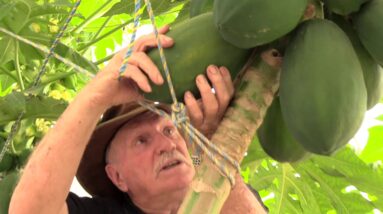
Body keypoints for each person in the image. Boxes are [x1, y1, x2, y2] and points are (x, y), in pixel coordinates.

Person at [9, 25, 267, 214]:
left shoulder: (228, 195)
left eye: (168, 131)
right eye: (142, 141)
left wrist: (209, 149)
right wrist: (96, 95)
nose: (168, 145)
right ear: (117, 177)